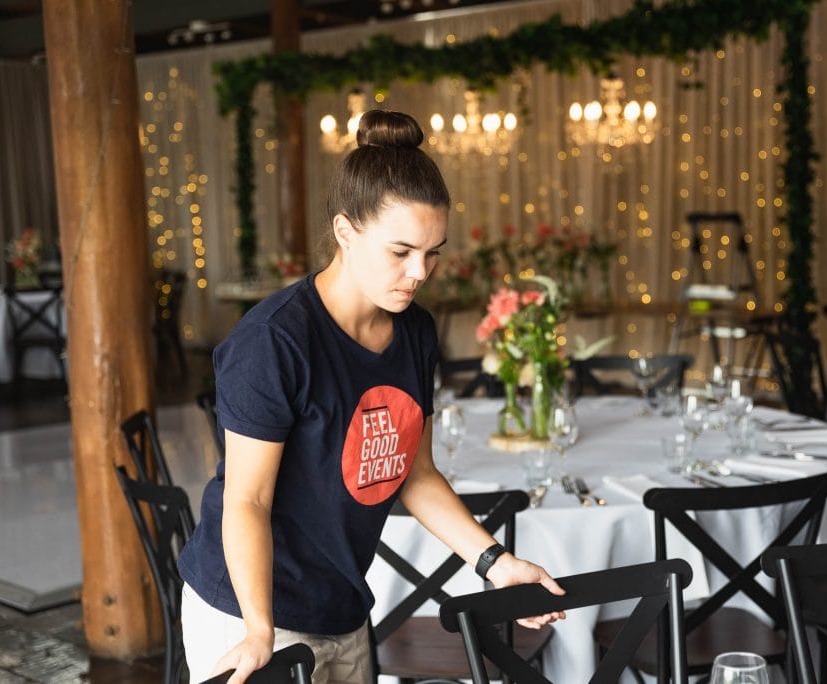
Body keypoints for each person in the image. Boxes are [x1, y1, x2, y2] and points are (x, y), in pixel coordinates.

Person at [178, 109, 564, 684]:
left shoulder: (414, 332)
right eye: (401, 251)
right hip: (250, 610)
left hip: (344, 606)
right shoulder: (273, 342)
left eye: (433, 252)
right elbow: (247, 501)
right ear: (345, 231)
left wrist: (496, 563)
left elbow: (416, 473)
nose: (419, 272)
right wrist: (259, 630)